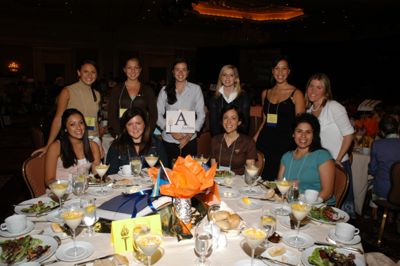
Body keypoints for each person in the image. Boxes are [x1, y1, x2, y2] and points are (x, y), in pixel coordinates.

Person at [305, 73, 355, 213]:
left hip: (336, 164)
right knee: (317, 209)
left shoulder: (334, 107)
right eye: (311, 86)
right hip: (318, 165)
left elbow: (349, 135)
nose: (313, 91)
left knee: (335, 212)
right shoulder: (309, 112)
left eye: (319, 87)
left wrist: (337, 160)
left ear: (326, 91)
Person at [34, 60, 101, 156]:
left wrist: (99, 142)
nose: (89, 75)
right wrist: (48, 144)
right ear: (79, 73)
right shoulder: (67, 91)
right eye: (85, 71)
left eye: (93, 72)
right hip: (75, 140)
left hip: (93, 139)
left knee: (95, 170)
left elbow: (94, 120)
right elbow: (58, 118)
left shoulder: (97, 94)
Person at [254, 56, 305, 180]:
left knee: (280, 180)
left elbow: (301, 124)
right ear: (272, 71)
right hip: (265, 141)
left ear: (289, 71)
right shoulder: (265, 93)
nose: (280, 72)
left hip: (285, 143)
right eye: (277, 68)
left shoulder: (296, 93)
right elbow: (265, 120)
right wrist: (256, 136)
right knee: (261, 178)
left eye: (284, 69)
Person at [156, 58, 205, 166]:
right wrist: (171, 130)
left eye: (184, 69)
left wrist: (188, 136)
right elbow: (157, 114)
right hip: (169, 139)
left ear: (188, 72)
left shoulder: (196, 89)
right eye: (177, 69)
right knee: (170, 171)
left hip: (190, 139)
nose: (181, 72)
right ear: (173, 72)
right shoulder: (164, 90)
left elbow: (201, 115)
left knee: (188, 174)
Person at [278, 113, 335, 204]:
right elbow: (281, 185)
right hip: (291, 204)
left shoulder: (322, 156)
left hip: (317, 207)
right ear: (293, 134)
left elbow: (327, 192)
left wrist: (311, 204)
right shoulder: (286, 157)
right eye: (299, 131)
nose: (303, 136)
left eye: (308, 132)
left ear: (314, 135)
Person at [44, 109, 101, 186]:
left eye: (81, 123)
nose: (79, 127)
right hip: (61, 193)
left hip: (83, 191)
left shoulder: (93, 146)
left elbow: (96, 176)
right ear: (65, 128)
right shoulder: (56, 147)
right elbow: (49, 180)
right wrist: (64, 188)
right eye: (72, 124)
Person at [106, 107, 168, 174]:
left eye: (138, 123)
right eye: (130, 124)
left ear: (144, 124)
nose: (134, 128)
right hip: (124, 184)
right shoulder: (116, 146)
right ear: (125, 127)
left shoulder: (156, 143)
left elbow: (165, 171)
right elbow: (110, 174)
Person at [108, 57, 157, 136]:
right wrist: (121, 133)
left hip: (142, 134)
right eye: (129, 68)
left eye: (136, 67)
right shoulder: (117, 90)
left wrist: (146, 133)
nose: (133, 71)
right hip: (122, 133)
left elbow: (153, 115)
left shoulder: (148, 90)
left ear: (140, 70)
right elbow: (111, 115)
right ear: (124, 70)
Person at [210, 105, 257, 175]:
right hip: (219, 181)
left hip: (239, 182)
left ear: (239, 122)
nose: (228, 121)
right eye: (225, 118)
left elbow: (250, 173)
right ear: (222, 121)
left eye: (233, 118)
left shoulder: (248, 142)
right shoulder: (215, 140)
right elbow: (213, 170)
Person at [208, 65, 250, 136]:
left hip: (238, 139)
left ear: (236, 79)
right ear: (221, 78)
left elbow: (245, 124)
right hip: (219, 140)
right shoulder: (214, 98)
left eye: (231, 75)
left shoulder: (243, 96)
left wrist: (236, 139)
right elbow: (213, 126)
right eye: (224, 75)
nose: (227, 78)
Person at [369, 116, 400, 199]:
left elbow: (372, 170)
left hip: (382, 191)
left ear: (382, 132)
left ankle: (373, 209)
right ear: (398, 129)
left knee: (371, 184)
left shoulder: (377, 145)